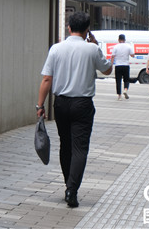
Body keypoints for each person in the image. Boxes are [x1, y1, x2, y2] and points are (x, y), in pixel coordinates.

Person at [37, 12, 112, 208]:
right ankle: (72, 189)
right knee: (80, 148)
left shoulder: (56, 49)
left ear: (69, 27)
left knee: (66, 145)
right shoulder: (92, 49)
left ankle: (68, 185)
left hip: (60, 103)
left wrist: (40, 105)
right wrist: (96, 45)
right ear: (87, 29)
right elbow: (107, 70)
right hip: (83, 104)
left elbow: (46, 79)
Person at [111, 34, 135, 100]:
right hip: (126, 65)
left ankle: (119, 96)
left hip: (118, 66)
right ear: (125, 40)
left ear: (118, 39)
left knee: (118, 80)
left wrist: (111, 65)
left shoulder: (115, 47)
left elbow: (112, 56)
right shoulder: (128, 46)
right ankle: (125, 89)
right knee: (126, 80)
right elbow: (132, 55)